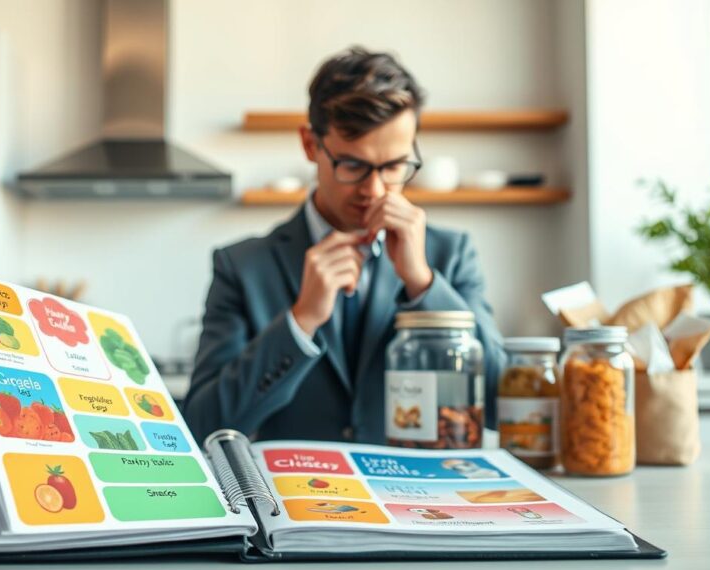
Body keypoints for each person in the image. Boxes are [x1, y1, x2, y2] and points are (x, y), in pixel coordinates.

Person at [183, 47, 505, 444]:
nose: (374, 190)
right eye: (353, 165)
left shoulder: (451, 256)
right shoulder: (242, 266)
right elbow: (202, 425)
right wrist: (300, 321)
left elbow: (501, 404)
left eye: (393, 166)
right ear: (310, 144)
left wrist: (422, 285)